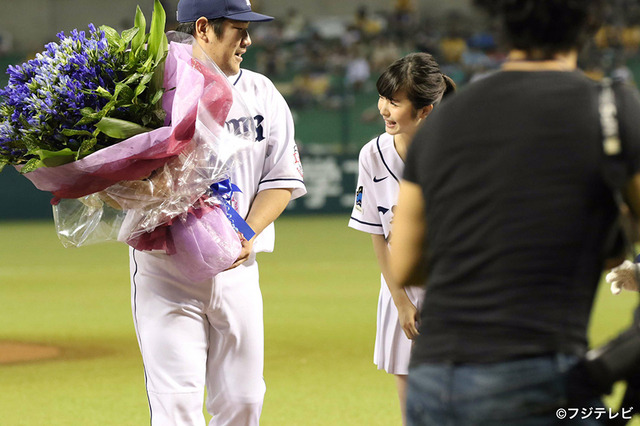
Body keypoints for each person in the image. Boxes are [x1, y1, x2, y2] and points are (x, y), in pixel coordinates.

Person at [389, 0, 640, 425]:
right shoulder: (611, 108)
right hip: (537, 373)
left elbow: (407, 262)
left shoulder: (446, 120)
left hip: (434, 379)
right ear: (590, 23)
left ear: (499, 26)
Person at [129, 0, 306, 425]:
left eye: (248, 28)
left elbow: (281, 179)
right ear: (204, 28)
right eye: (237, 28)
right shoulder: (154, 92)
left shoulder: (262, 92)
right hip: (165, 272)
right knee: (177, 406)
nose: (247, 39)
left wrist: (247, 234)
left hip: (237, 269)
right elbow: (119, 181)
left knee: (244, 402)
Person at [348, 52, 455, 425]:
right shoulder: (372, 154)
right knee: (414, 410)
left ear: (424, 111)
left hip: (454, 290)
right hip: (400, 291)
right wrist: (401, 302)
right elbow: (378, 234)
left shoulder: (455, 152)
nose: (384, 109)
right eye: (383, 98)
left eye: (395, 102)